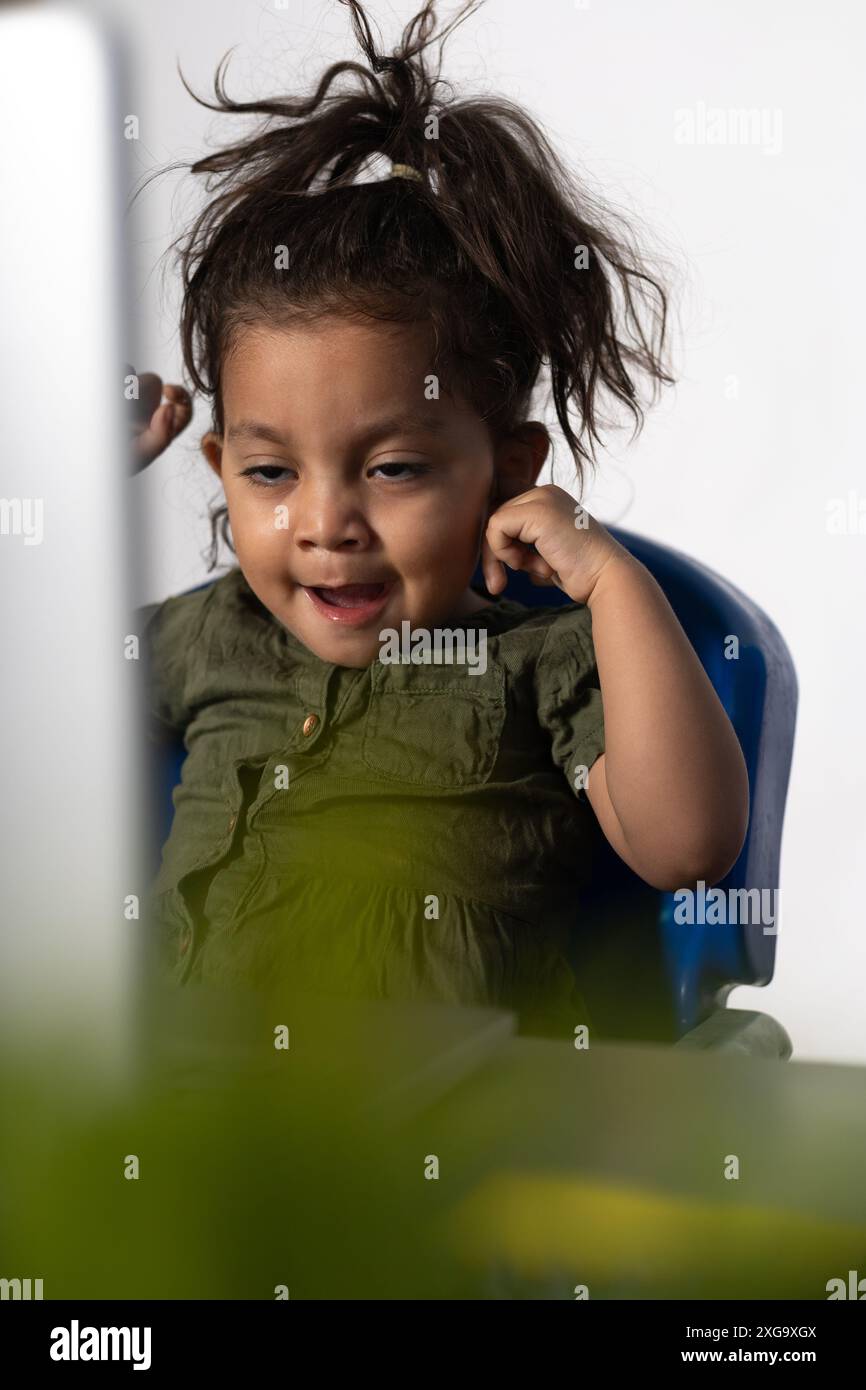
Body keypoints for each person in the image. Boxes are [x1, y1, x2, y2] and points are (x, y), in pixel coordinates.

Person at [133, 0, 748, 1039]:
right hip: (201, 1142)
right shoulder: (202, 638)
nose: (326, 521)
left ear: (505, 472)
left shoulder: (539, 660)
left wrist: (610, 582)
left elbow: (684, 843)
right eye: (272, 469)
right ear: (217, 469)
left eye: (394, 467)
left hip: (462, 1142)